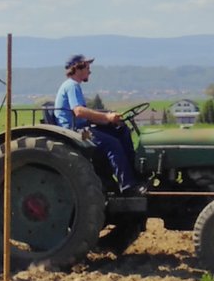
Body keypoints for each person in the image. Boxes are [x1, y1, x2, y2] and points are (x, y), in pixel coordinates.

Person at [54, 54, 146, 194]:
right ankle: (128, 186)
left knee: (122, 131)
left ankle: (137, 175)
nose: (89, 71)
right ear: (78, 68)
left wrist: (109, 119)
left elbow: (84, 113)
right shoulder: (72, 86)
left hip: (80, 126)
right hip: (75, 130)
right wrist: (107, 117)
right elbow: (79, 111)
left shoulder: (73, 85)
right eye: (87, 67)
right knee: (112, 143)